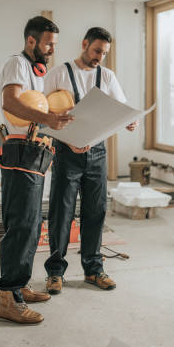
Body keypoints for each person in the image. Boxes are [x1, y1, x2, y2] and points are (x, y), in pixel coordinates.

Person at [43, 27, 138, 294]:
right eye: (97, 51)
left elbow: (122, 109)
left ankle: (94, 270)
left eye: (104, 53)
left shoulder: (107, 76)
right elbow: (42, 113)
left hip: (97, 154)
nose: (100, 57)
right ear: (84, 44)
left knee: (95, 212)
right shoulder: (59, 73)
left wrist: (130, 122)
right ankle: (55, 272)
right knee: (61, 213)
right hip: (66, 152)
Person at [0, 16, 74, 324]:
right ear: (31, 41)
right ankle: (8, 299)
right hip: (20, 150)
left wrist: (56, 120)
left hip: (37, 149)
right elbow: (11, 102)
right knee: (21, 226)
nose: (52, 49)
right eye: (48, 43)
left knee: (32, 226)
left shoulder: (37, 72)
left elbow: (39, 109)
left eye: (54, 44)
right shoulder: (17, 63)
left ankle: (21, 286)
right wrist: (50, 121)